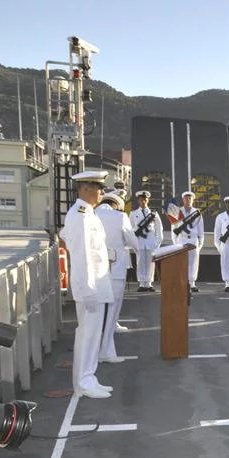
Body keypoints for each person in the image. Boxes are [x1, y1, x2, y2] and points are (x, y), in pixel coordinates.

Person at [60, 170, 114, 398]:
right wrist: (88, 289)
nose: (102, 192)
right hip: (90, 287)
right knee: (88, 335)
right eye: (98, 187)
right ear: (84, 189)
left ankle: (89, 377)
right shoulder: (80, 215)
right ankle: (83, 382)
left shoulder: (88, 214)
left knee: (92, 335)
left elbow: (68, 237)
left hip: (98, 284)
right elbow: (81, 255)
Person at [96, 191, 139, 364]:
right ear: (117, 205)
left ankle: (95, 350)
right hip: (115, 268)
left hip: (95, 269)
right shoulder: (120, 217)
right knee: (112, 307)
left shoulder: (91, 215)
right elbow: (133, 242)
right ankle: (106, 350)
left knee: (97, 311)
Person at [130, 190, 163, 292]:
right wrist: (133, 244)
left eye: (144, 200)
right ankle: (141, 283)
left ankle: (148, 283)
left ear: (147, 200)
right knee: (140, 262)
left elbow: (159, 228)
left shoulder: (154, 214)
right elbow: (130, 229)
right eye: (141, 200)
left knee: (150, 263)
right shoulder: (133, 214)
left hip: (150, 242)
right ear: (138, 201)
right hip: (139, 242)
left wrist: (157, 243)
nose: (143, 202)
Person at [173, 190, 204, 292]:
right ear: (183, 199)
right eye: (186, 198)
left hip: (193, 239)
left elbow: (200, 229)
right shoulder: (178, 211)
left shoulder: (197, 212)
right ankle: (182, 282)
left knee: (193, 262)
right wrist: (175, 242)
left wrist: (200, 243)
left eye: (190, 198)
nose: (188, 199)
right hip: (182, 238)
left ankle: (192, 283)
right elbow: (174, 228)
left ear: (193, 200)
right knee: (182, 262)